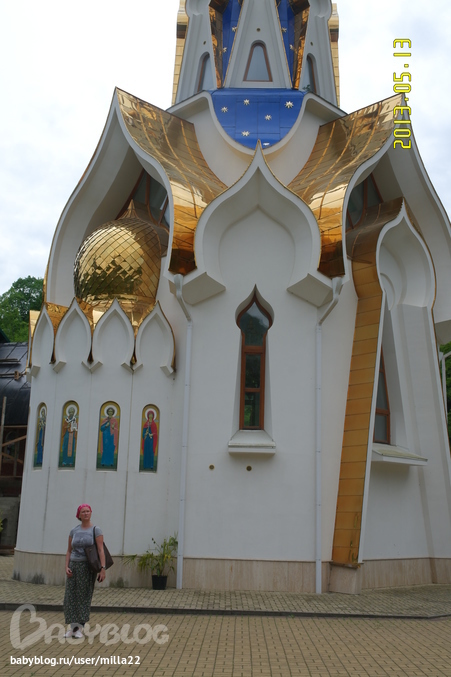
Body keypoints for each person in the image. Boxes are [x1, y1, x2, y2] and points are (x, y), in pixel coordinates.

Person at [64, 504, 106, 638]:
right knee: (71, 596)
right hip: (73, 565)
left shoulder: (96, 530)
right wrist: (66, 566)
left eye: (88, 511)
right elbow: (69, 550)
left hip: (87, 567)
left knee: (83, 596)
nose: (86, 513)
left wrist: (103, 568)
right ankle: (72, 628)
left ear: (91, 513)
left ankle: (79, 628)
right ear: (79, 515)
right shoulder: (74, 530)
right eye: (83, 512)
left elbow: (101, 550)